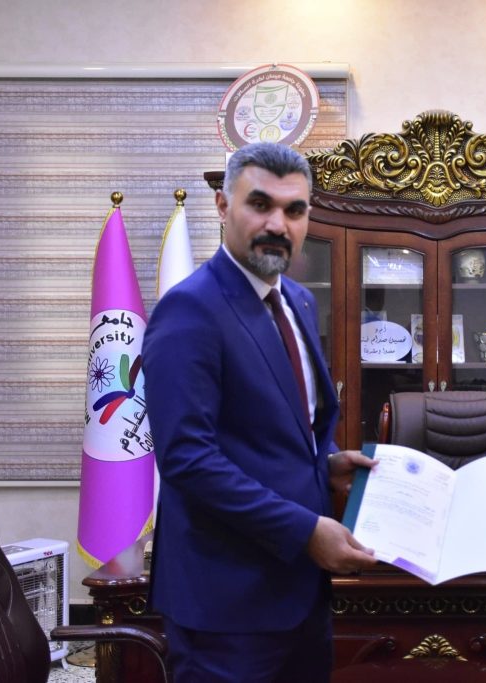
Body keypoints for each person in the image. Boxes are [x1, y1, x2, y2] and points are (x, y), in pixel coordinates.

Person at [141, 142, 377, 683]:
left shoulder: (297, 301)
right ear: (223, 206)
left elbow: (282, 427)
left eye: (294, 210)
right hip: (225, 606)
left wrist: (326, 464)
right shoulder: (190, 309)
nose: (278, 224)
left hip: (300, 594)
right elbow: (188, 459)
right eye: (260, 204)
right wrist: (306, 531)